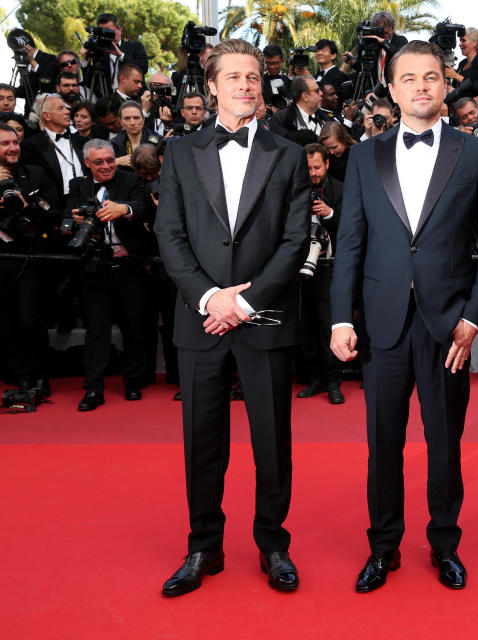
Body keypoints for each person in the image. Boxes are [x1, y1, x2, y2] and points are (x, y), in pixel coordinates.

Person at [329, 40, 478, 594]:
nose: (422, 87)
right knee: (383, 443)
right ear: (392, 87)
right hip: (382, 324)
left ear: (446, 83)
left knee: (444, 444)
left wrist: (474, 318)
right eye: (410, 78)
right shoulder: (364, 156)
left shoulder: (474, 154)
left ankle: (444, 545)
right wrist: (341, 318)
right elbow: (350, 243)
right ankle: (383, 547)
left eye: (431, 77)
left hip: (448, 327)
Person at [154, 38, 311, 597]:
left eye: (253, 76)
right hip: (199, 318)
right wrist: (209, 298)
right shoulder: (179, 152)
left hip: (264, 316)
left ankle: (273, 544)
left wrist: (244, 302)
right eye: (234, 76)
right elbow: (169, 235)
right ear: (212, 85)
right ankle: (203, 546)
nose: (246, 84)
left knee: (272, 439)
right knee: (202, 440)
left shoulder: (289, 153)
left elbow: (296, 240)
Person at [63, 139, 154, 411]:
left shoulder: (131, 180)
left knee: (134, 327)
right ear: (87, 164)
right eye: (99, 162)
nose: (106, 166)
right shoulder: (79, 186)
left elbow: (145, 208)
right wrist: (75, 219)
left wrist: (123, 210)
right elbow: (65, 219)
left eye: (110, 160)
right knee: (96, 330)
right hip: (95, 269)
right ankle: (93, 387)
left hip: (130, 269)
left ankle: (133, 382)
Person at [0, 123, 57, 401]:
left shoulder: (33, 174)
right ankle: (20, 377)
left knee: (29, 320)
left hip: (28, 258)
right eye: (4, 143)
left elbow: (53, 215)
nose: (12, 147)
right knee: (5, 322)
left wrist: (25, 205)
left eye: (14, 142)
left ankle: (39, 379)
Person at [297, 143, 345, 404]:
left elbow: (353, 227)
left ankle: (333, 381)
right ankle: (314, 378)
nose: (313, 173)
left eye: (317, 167)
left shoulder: (340, 188)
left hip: (329, 268)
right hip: (300, 267)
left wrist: (330, 214)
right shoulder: (295, 188)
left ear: (327, 164)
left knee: (329, 325)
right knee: (306, 325)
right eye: (308, 168)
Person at [20, 94, 88, 212]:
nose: (67, 112)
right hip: (56, 209)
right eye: (60, 108)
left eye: (66, 108)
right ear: (47, 115)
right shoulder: (31, 145)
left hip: (86, 202)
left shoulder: (82, 141)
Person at [80, 13, 149, 94]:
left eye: (109, 31)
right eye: (103, 32)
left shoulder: (135, 46)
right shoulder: (100, 52)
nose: (106, 35)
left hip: (134, 99)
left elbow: (143, 68)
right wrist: (85, 60)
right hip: (109, 101)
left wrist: (121, 55)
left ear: (119, 29)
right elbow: (89, 83)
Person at [446, 28, 478, 105]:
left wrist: (456, 76)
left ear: (474, 43)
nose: (460, 44)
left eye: (463, 40)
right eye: (460, 40)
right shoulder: (461, 64)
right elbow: (456, 89)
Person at [112, 100, 161, 169]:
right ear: (121, 122)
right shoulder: (115, 143)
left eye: (136, 118)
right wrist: (117, 161)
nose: (132, 123)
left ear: (143, 120)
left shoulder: (155, 140)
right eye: (127, 118)